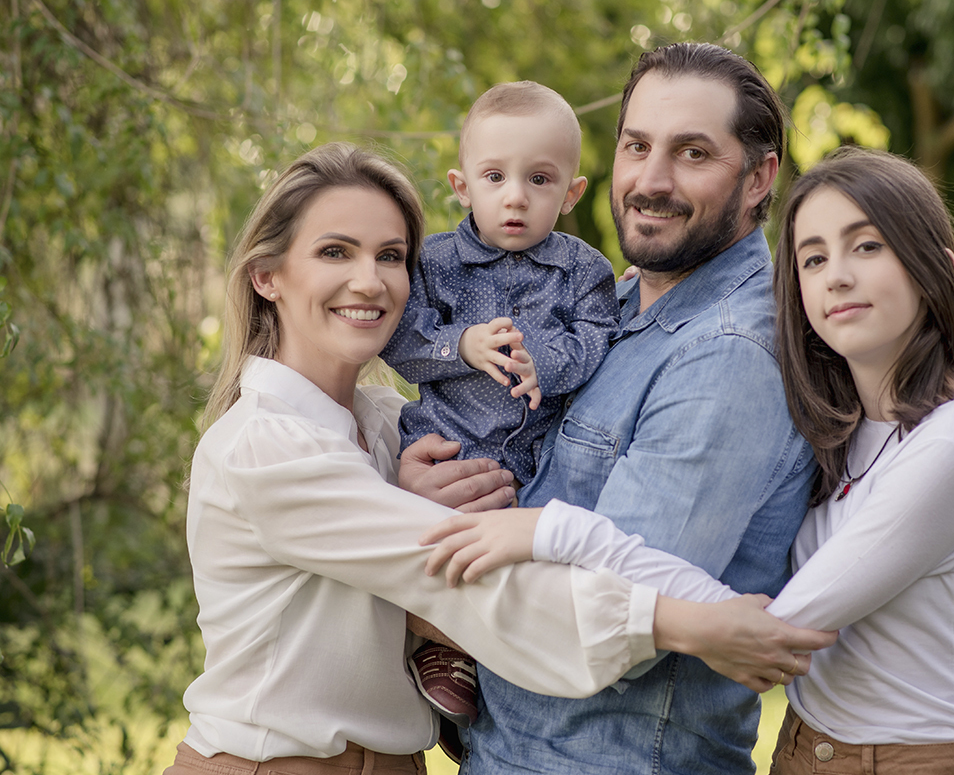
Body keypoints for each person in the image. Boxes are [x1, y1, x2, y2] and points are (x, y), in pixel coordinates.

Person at [164, 141, 834, 775]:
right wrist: (691, 623)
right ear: (267, 276)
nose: (368, 282)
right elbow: (481, 590)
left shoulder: (393, 429)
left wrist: (614, 299)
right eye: (335, 252)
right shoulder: (267, 446)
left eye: (392, 256)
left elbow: (538, 435)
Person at [424, 146, 954, 775]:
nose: (838, 276)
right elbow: (723, 618)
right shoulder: (842, 426)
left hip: (919, 760)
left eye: (867, 247)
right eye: (814, 258)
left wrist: (551, 530)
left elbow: (771, 630)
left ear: (936, 265)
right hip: (805, 752)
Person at [457, 43, 818, 775]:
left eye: (692, 153)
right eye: (637, 146)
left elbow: (608, 620)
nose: (651, 181)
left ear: (759, 178)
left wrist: (423, 589)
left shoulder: (732, 354)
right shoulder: (613, 308)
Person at [381, 81, 617, 488]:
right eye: (494, 176)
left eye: (539, 179)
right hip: (444, 456)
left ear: (571, 194)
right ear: (463, 187)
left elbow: (601, 338)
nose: (516, 197)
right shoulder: (435, 262)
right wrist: (462, 346)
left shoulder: (584, 269)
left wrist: (543, 363)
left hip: (541, 470)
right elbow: (396, 338)